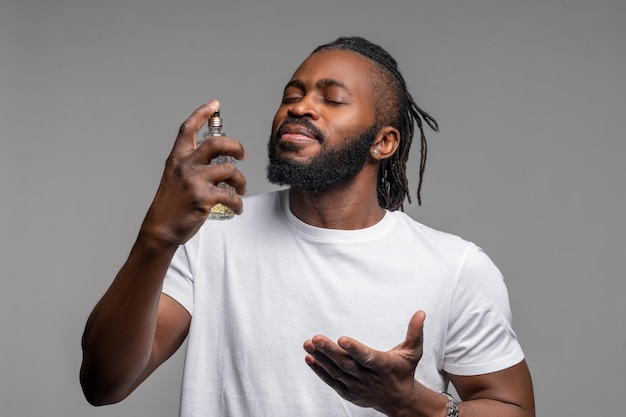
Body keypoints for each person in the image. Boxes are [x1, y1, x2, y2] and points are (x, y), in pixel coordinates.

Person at [80, 36, 535, 417]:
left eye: (331, 99)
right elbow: (103, 384)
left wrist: (413, 402)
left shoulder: (454, 268)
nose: (301, 108)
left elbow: (512, 407)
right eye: (292, 95)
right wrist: (156, 235)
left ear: (383, 141)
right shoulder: (211, 237)